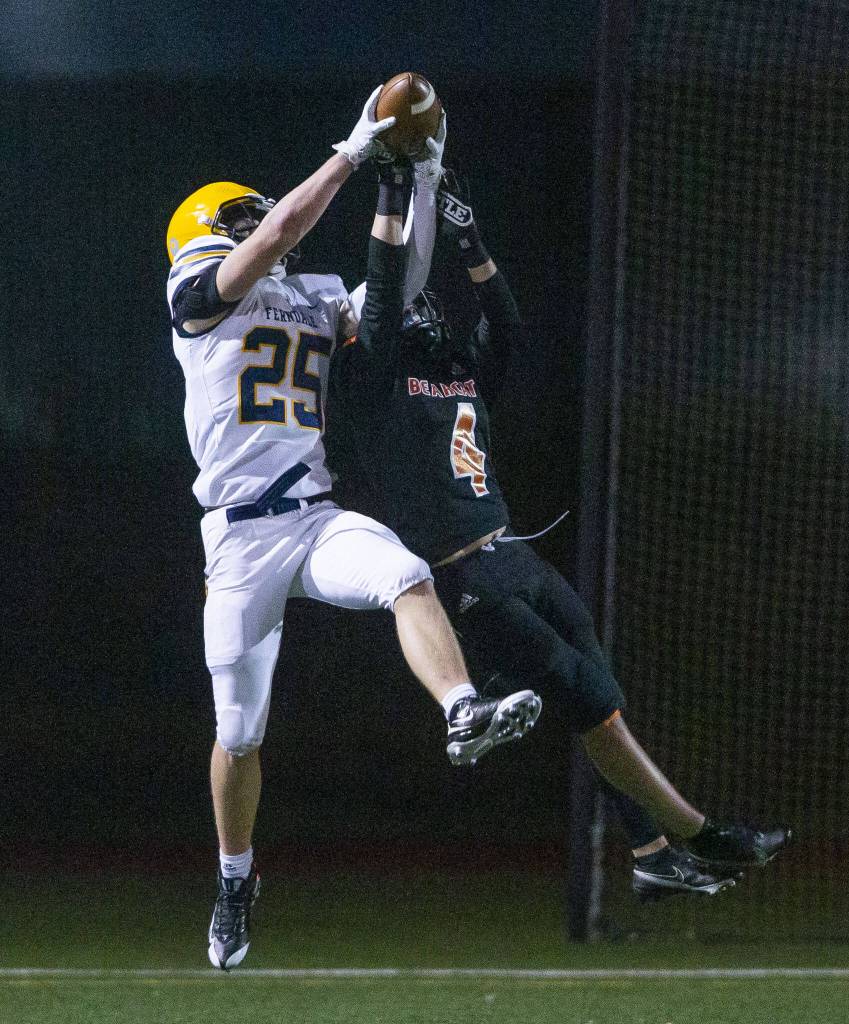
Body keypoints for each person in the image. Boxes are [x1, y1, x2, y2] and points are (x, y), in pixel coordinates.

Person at [326, 162, 792, 904]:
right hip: (464, 577)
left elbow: (506, 326)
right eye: (397, 310)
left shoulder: (452, 368)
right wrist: (388, 192)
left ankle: (648, 852)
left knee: (598, 692)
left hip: (513, 553)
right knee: (586, 696)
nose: (420, 312)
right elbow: (382, 296)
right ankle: (698, 833)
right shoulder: (368, 379)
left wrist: (470, 245)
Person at [164, 93, 542, 971]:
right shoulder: (194, 290)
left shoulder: (313, 292)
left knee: (405, 574)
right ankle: (234, 876)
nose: (270, 221)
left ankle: (461, 711)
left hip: (313, 515)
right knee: (241, 732)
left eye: (265, 208)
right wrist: (352, 149)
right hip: (238, 541)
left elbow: (397, 286)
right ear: (212, 226)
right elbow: (267, 237)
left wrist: (419, 176)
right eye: (249, 211)